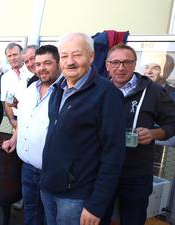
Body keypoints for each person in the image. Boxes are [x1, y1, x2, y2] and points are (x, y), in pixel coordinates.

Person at [40, 33, 126, 225]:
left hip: (78, 197)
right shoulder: (57, 90)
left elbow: (114, 154)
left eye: (77, 55)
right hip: (49, 187)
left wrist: (97, 205)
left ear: (92, 57)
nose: (70, 62)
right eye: (64, 56)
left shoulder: (107, 95)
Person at [100, 44, 175, 225]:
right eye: (115, 62)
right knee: (99, 217)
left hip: (136, 172)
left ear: (135, 64)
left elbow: (172, 122)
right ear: (107, 65)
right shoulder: (99, 89)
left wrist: (153, 133)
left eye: (127, 62)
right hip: (101, 169)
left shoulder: (154, 91)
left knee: (133, 219)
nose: (121, 67)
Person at [2, 45, 60, 225]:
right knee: (31, 211)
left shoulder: (65, 92)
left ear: (58, 63)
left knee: (51, 216)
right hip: (28, 167)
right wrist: (13, 138)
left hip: (51, 170)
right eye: (30, 61)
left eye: (45, 62)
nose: (35, 65)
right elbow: (25, 119)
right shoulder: (30, 89)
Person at [0, 43, 33, 130]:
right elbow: (8, 101)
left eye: (15, 54)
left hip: (33, 118)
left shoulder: (32, 71)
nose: (12, 58)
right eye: (9, 56)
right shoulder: (5, 78)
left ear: (22, 55)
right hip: (16, 119)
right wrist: (12, 121)